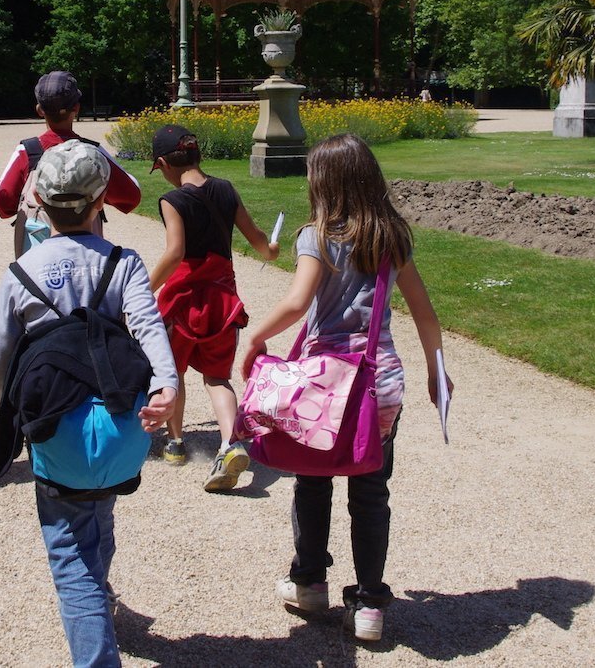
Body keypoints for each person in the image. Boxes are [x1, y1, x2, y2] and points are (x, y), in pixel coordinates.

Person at [240, 133, 452, 644]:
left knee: (312, 482)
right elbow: (426, 315)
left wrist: (256, 338)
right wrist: (434, 369)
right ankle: (369, 604)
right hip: (379, 381)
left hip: (326, 381)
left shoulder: (316, 237)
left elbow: (296, 303)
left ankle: (310, 580)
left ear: (322, 183)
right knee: (371, 492)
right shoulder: (392, 238)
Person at [0, 140, 178, 668]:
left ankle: (95, 649)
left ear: (39, 203)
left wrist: (3, 406)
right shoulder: (123, 263)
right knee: (99, 511)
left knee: (69, 554)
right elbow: (148, 326)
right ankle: (104, 598)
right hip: (120, 427)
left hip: (56, 429)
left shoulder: (22, 272)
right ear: (99, 205)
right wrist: (167, 385)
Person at [146, 124, 279, 490]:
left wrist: (144, 288)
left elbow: (175, 254)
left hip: (184, 301)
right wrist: (271, 251)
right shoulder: (226, 190)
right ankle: (229, 443)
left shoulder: (172, 201)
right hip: (222, 300)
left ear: (163, 163)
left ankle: (174, 443)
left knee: (173, 373)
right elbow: (258, 241)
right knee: (218, 377)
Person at [0, 70, 141, 256]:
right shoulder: (93, 152)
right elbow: (131, 196)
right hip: (86, 251)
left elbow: (1, 202)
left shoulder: (27, 151)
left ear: (39, 110)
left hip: (37, 256)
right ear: (76, 108)